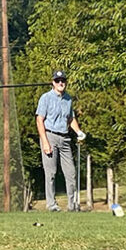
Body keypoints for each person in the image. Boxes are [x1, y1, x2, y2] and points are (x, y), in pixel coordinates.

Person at [35, 70, 86, 212]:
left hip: (65, 138)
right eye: (58, 81)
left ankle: (73, 205)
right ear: (53, 83)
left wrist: (79, 132)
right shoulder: (45, 98)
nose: (61, 83)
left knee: (71, 173)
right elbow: (39, 120)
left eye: (63, 80)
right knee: (50, 173)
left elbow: (70, 119)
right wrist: (45, 142)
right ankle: (51, 205)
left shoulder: (68, 99)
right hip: (49, 136)